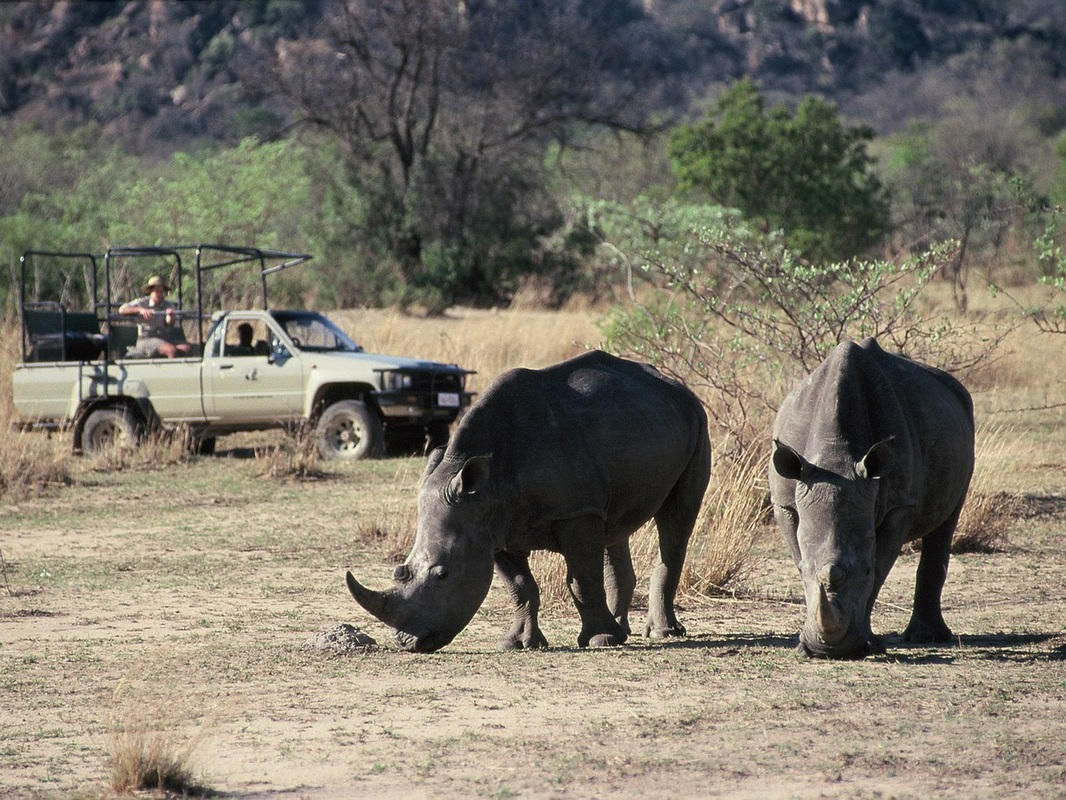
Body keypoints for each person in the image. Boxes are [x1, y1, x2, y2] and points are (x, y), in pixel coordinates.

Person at [119, 275, 192, 358]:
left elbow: (170, 322)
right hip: (146, 340)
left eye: (161, 291)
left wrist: (170, 316)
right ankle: (170, 370)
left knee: (186, 348)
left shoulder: (168, 305)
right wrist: (140, 310)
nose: (159, 293)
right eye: (156, 290)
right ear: (150, 291)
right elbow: (122, 309)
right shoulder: (143, 302)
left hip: (163, 338)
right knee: (171, 350)